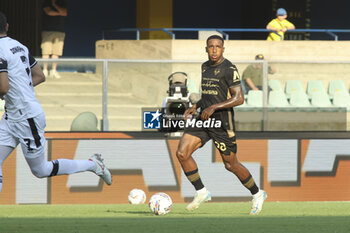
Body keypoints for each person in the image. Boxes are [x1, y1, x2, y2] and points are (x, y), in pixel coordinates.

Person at [0, 11, 112, 194]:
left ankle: (92, 164)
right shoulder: (19, 46)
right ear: (7, 27)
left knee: (40, 170)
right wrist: (19, 90)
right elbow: (40, 75)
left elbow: (3, 88)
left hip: (26, 117)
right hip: (12, 115)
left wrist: (11, 92)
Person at [176, 35, 267, 215]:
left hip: (222, 122)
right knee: (182, 153)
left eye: (218, 46)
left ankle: (257, 194)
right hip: (204, 117)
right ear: (206, 49)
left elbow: (239, 98)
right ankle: (201, 191)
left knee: (230, 164)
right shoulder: (205, 67)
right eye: (211, 46)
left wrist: (214, 107)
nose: (214, 50)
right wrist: (196, 106)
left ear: (223, 49)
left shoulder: (229, 69)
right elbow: (209, 94)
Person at [41, 0, 67, 79]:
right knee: (46, 51)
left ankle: (53, 70)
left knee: (56, 52)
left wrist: (55, 5)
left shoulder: (62, 2)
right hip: (48, 30)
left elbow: (65, 12)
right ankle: (45, 70)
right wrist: (60, 13)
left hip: (60, 30)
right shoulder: (47, 2)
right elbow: (48, 12)